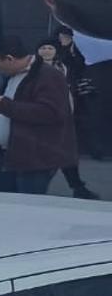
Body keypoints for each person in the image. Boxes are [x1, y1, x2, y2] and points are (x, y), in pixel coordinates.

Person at [0, 36, 78, 195]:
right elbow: (1, 114)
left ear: (10, 59)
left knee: (27, 203)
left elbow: (51, 113)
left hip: (36, 157)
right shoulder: (14, 75)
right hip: (10, 154)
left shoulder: (49, 76)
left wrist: (5, 105)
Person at [37, 38, 101, 199]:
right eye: (43, 47)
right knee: (49, 154)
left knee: (65, 153)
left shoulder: (65, 67)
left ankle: (78, 187)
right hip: (42, 116)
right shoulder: (32, 69)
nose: (46, 51)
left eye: (50, 47)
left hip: (65, 116)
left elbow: (74, 84)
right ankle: (33, 188)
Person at [56, 26, 106, 161]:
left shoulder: (76, 50)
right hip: (65, 88)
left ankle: (95, 150)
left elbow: (80, 64)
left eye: (66, 36)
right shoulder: (58, 51)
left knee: (83, 120)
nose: (63, 39)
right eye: (62, 36)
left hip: (76, 88)